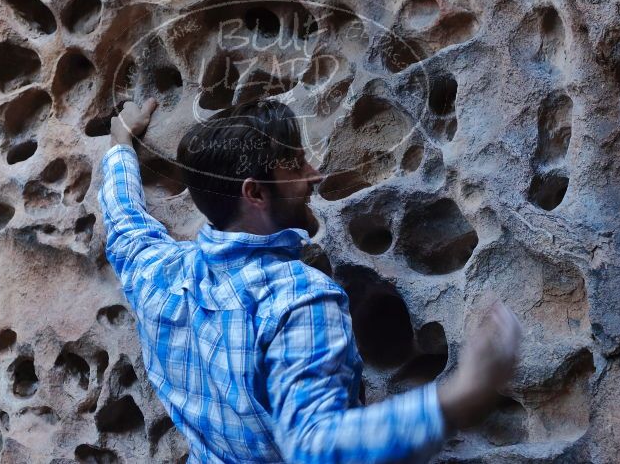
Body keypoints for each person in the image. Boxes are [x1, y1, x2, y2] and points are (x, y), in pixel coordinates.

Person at [98, 97, 522, 463]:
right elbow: (313, 445)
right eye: (296, 164)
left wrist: (121, 143)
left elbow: (124, 222)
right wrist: (463, 395)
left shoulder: (158, 272)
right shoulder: (299, 299)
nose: (315, 174)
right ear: (255, 193)